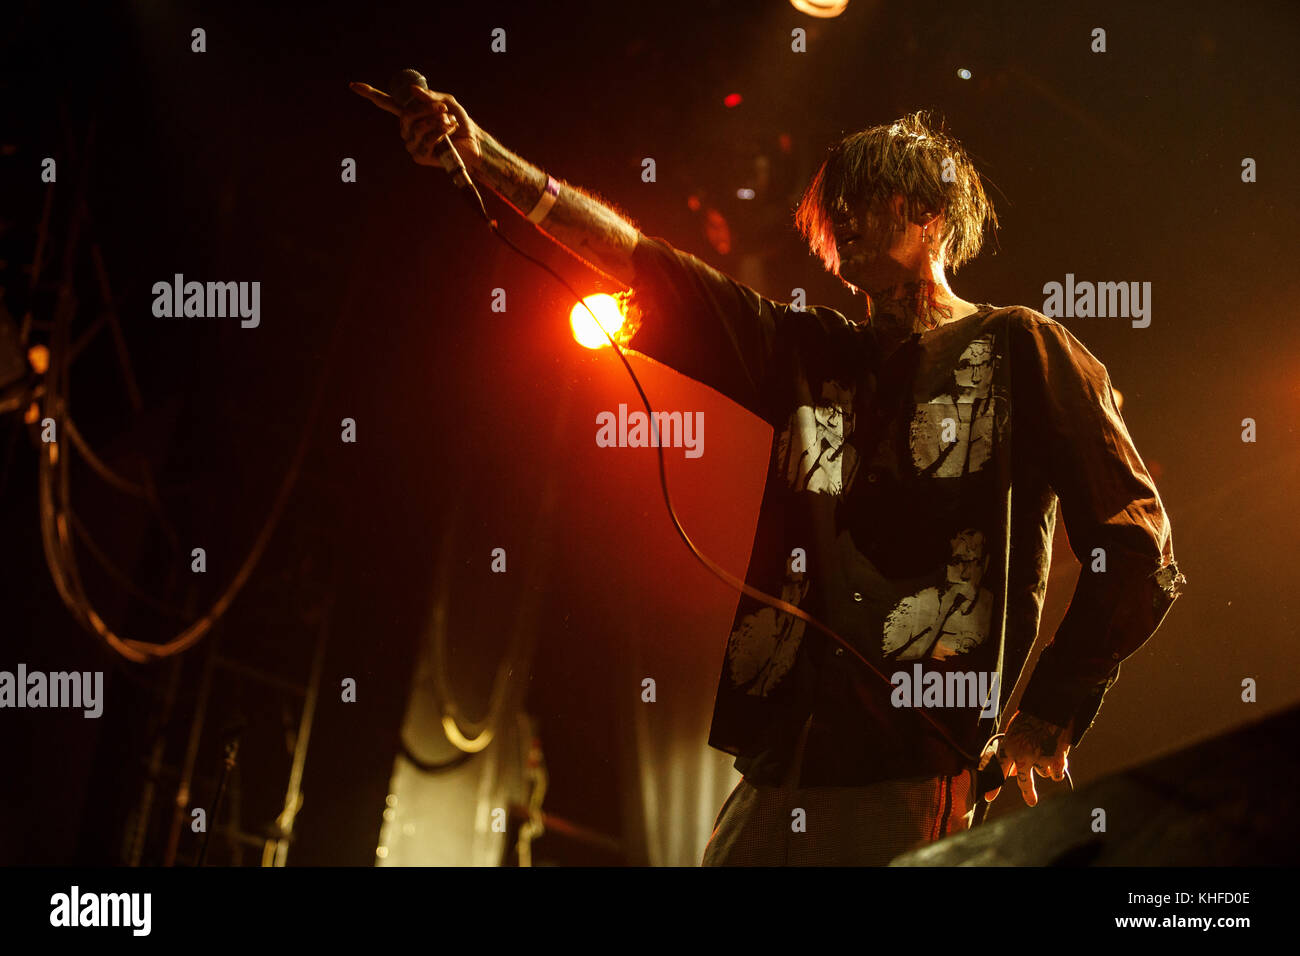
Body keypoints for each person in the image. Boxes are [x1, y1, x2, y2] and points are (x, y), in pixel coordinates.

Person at [352, 80, 1186, 866]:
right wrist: (485, 154)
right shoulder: (805, 349)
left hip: (910, 759)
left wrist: (1051, 710)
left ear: (931, 216)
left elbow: (1135, 542)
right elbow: (643, 263)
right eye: (837, 208)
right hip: (776, 761)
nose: (848, 219)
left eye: (871, 198)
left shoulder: (1024, 349)